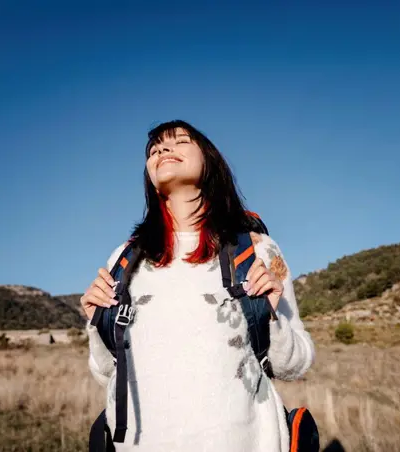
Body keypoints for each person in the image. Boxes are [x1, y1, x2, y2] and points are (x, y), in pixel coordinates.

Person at [80, 120, 316, 451]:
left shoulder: (257, 249)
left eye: (179, 141)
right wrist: (97, 324)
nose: (162, 150)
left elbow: (295, 364)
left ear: (209, 161)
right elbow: (106, 374)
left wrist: (273, 315)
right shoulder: (124, 259)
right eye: (154, 149)